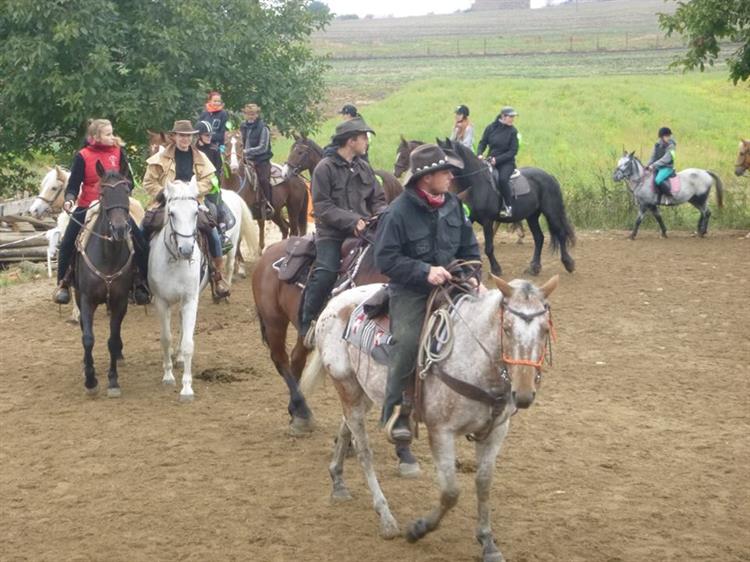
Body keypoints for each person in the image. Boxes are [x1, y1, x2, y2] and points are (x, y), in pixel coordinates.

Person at [374, 143, 481, 443]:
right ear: (426, 178)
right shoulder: (397, 213)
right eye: (445, 171)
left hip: (454, 285)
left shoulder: (453, 205)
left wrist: (474, 277)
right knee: (407, 342)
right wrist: (425, 271)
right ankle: (395, 413)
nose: (451, 176)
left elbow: (470, 249)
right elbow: (386, 259)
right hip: (411, 291)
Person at [300, 117, 387, 347]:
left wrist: (382, 213)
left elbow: (377, 198)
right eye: (364, 138)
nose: (367, 142)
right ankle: (307, 323)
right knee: (326, 271)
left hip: (363, 230)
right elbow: (323, 207)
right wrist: (352, 220)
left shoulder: (363, 167)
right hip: (332, 233)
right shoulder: (324, 168)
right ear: (351, 141)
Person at [53, 119, 150, 305]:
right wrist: (69, 199)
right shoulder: (82, 156)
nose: (112, 137)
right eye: (107, 134)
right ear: (95, 136)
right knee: (67, 243)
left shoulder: (118, 152)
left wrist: (122, 193)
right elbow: (73, 185)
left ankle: (140, 283)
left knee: (141, 242)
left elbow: (128, 180)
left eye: (112, 133)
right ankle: (63, 284)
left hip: (114, 206)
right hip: (89, 204)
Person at [142, 120, 230, 298]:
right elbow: (148, 182)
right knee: (143, 229)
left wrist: (192, 190)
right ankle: (139, 276)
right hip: (165, 201)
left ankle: (217, 274)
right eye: (181, 135)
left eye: (188, 136)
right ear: (174, 137)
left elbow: (210, 180)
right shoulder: (159, 159)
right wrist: (164, 192)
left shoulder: (201, 158)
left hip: (192, 201)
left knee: (211, 231)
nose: (185, 139)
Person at [196, 120, 232, 252]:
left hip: (211, 184)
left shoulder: (214, 150)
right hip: (193, 185)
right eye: (206, 135)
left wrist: (210, 182)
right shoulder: (193, 150)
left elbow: (218, 169)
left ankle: (221, 232)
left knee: (216, 205)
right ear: (199, 136)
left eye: (210, 135)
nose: (209, 137)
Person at [477, 106, 519, 217]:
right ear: (503, 116)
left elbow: (513, 151)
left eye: (513, 117)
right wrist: (480, 154)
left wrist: (498, 160)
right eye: (510, 117)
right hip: (490, 161)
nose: (512, 119)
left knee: (502, 179)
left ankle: (508, 207)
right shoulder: (490, 128)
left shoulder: (513, 131)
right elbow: (482, 142)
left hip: (507, 163)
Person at [239, 103, 274, 219]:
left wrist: (246, 151)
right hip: (246, 160)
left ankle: (268, 204)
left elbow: (263, 147)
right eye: (248, 114)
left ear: (257, 114)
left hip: (261, 160)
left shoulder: (263, 128)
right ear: (245, 114)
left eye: (253, 114)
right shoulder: (242, 126)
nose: (250, 116)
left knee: (263, 179)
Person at [646, 126, 677, 201]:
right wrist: (647, 165)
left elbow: (666, 159)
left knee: (658, 180)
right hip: (657, 167)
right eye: (667, 136)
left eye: (669, 136)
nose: (668, 138)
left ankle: (669, 196)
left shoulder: (671, 146)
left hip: (667, 167)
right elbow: (653, 156)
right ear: (662, 137)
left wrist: (653, 165)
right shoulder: (657, 145)